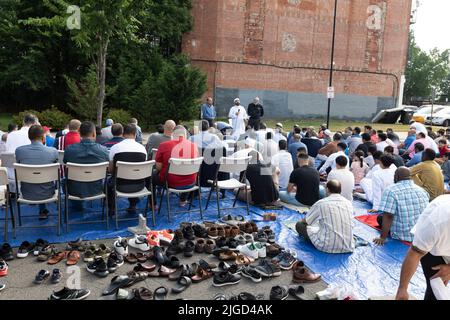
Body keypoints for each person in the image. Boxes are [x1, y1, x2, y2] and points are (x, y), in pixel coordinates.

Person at [395, 195, 450, 300]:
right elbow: (414, 255)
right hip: (434, 250)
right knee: (435, 287)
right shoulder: (435, 223)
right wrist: (402, 289)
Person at [373, 167, 430, 245]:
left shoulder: (391, 190)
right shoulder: (422, 190)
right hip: (421, 233)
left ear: (396, 176)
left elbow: (388, 216)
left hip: (402, 234)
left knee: (380, 217)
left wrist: (382, 238)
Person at [295, 180, 355, 254]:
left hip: (326, 246)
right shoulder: (348, 203)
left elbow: (306, 221)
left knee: (300, 225)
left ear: (327, 189)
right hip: (348, 246)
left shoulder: (321, 203)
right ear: (340, 190)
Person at [15, 125, 58, 220]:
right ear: (43, 137)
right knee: (43, 179)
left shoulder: (19, 151)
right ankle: (43, 210)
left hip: (26, 193)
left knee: (37, 178)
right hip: (48, 193)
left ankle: (42, 210)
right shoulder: (53, 151)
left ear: (29, 137)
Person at [63, 122, 109, 211]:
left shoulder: (69, 150)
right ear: (94, 133)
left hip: (73, 190)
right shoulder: (103, 151)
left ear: (79, 133)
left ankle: (76, 205)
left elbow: (65, 164)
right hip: (97, 189)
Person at [153, 126, 199, 206]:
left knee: (151, 177)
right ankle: (183, 200)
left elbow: (158, 167)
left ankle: (153, 205)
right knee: (188, 173)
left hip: (169, 182)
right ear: (186, 135)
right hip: (191, 182)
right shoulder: (194, 146)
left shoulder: (163, 145)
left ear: (172, 134)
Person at [108, 124, 147, 215]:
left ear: (123, 134)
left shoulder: (115, 148)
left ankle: (111, 209)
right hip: (139, 186)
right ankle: (133, 205)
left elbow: (110, 170)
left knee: (108, 184)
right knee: (133, 176)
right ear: (135, 134)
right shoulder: (142, 149)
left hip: (119, 185)